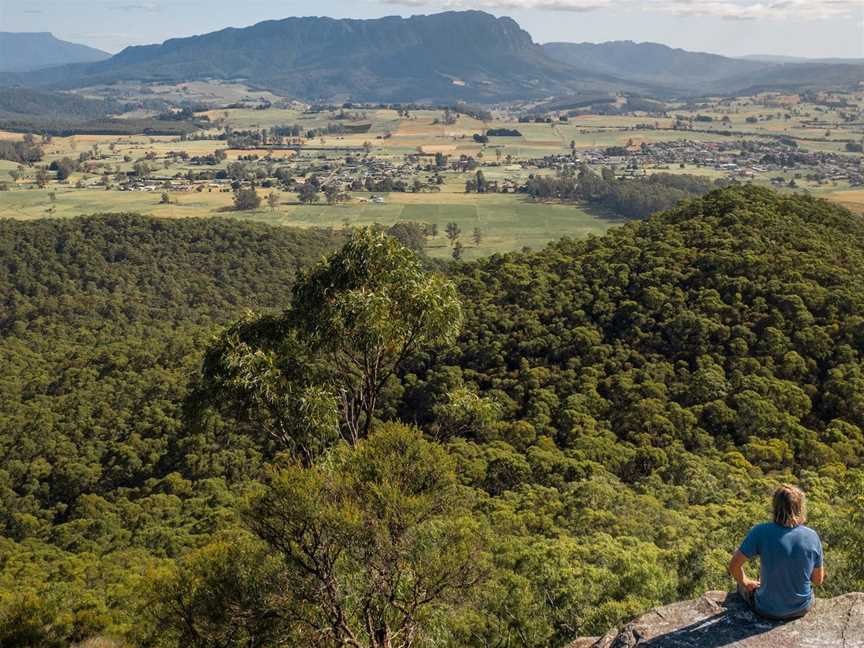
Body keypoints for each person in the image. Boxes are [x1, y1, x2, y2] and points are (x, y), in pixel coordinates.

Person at [728, 484, 825, 620]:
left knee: (740, 587)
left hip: (766, 609)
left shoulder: (760, 531)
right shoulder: (812, 536)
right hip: (801, 608)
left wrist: (746, 582)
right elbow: (817, 580)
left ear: (775, 506)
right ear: (801, 508)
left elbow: (734, 566)